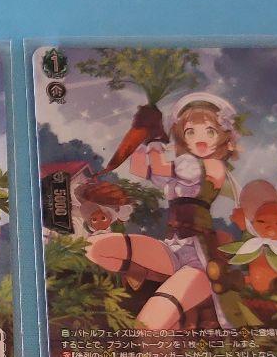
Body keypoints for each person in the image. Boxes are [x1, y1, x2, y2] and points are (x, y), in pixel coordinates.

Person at [86, 92, 240, 329]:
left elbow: (159, 166)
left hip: (200, 259)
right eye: (191, 131)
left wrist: (155, 138)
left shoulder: (212, 165)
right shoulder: (181, 167)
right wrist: (142, 130)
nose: (200, 138)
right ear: (182, 135)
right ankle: (149, 275)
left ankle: (171, 296)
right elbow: (140, 168)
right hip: (172, 248)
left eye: (210, 131)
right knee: (95, 247)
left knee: (147, 326)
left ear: (224, 137)